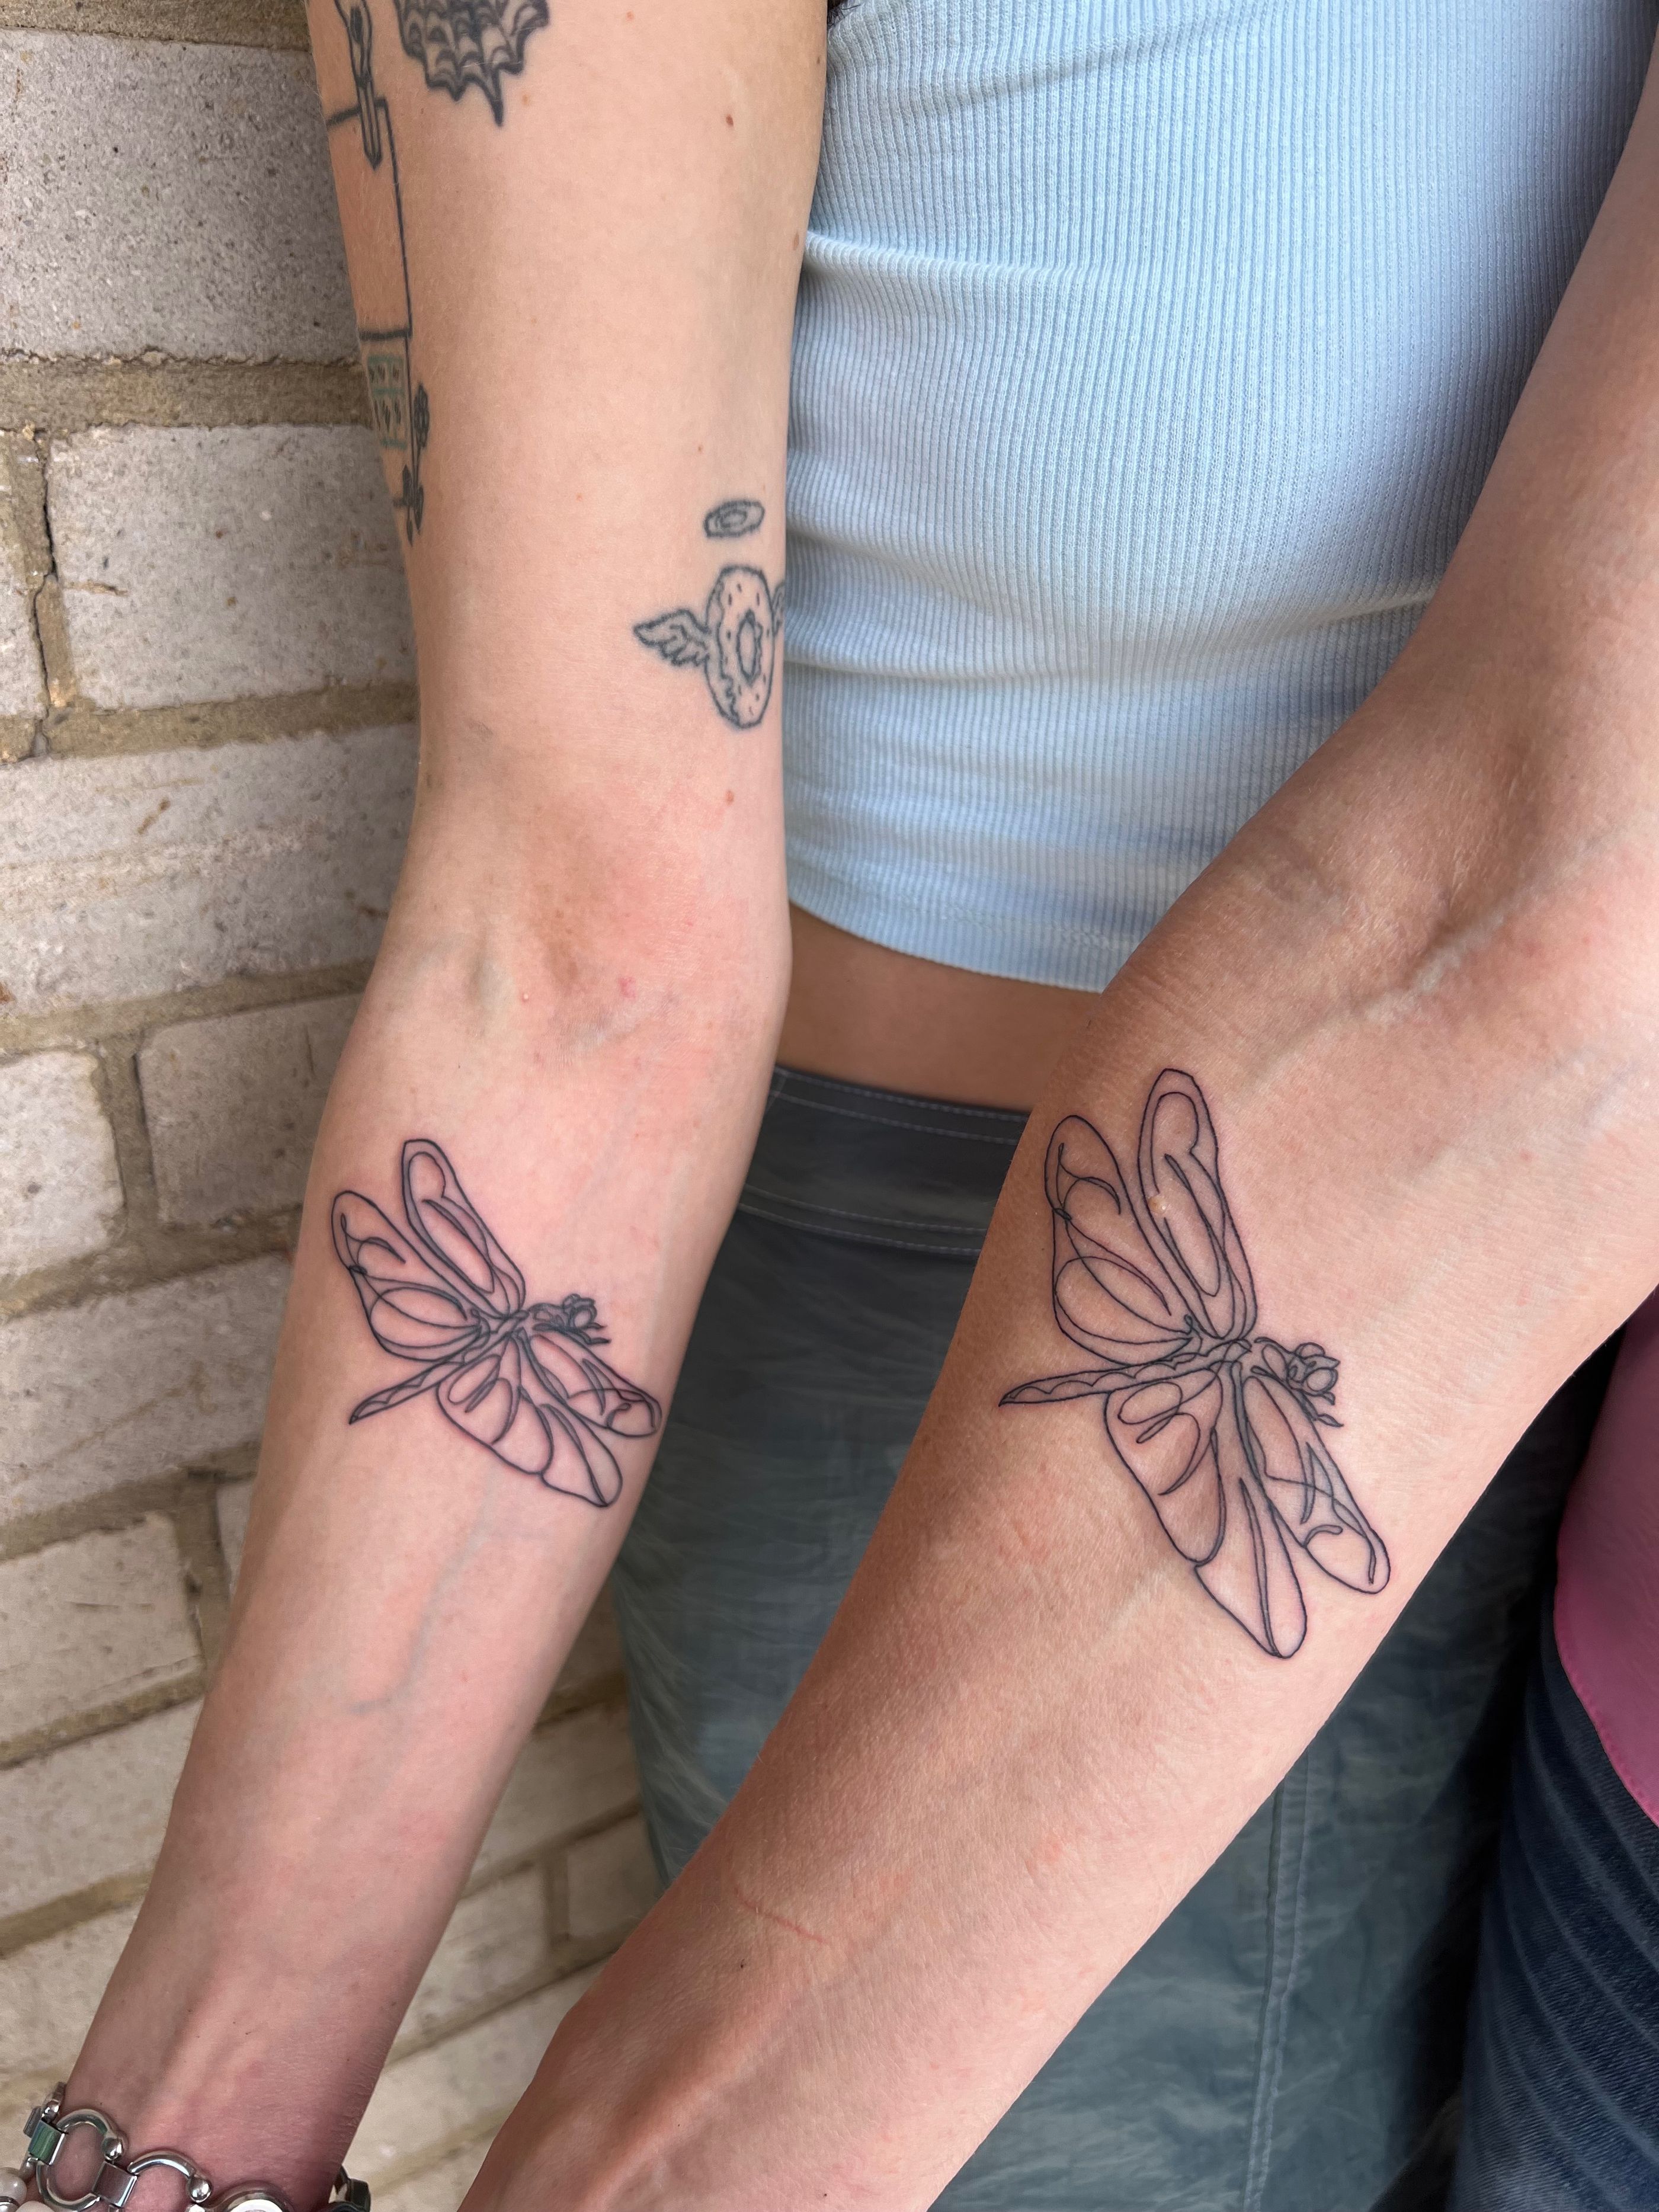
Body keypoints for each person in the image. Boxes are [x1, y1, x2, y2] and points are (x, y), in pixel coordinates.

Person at [36, 1, 1659, 2207]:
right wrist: (164, 2146)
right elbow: (568, 938)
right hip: (927, 1285)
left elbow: (1556, 925)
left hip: (1523, 1331)